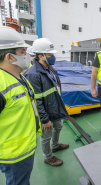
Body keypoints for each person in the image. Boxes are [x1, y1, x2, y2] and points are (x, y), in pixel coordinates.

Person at [0, 26, 42, 184]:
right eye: (23, 52)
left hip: (25, 148)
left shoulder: (18, 76)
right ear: (9, 57)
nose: (27, 55)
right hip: (14, 155)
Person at [24, 38, 69, 166]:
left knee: (58, 126)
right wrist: (44, 119)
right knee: (46, 135)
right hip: (45, 112)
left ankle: (55, 146)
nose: (53, 57)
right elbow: (36, 100)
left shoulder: (50, 68)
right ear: (40, 56)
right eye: (50, 55)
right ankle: (48, 157)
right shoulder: (33, 74)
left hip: (55, 107)